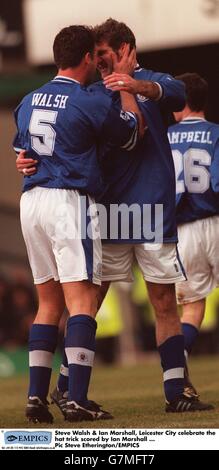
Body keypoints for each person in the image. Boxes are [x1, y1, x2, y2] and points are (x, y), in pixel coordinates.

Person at [16, 20, 212, 414]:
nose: (101, 60)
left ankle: (176, 391)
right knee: (89, 298)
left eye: (106, 53)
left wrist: (131, 84)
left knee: (163, 301)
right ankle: (68, 387)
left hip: (152, 210)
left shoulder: (153, 82)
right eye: (97, 54)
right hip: (104, 211)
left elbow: (172, 93)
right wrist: (27, 159)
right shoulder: (88, 91)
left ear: (126, 49)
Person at [13, 24, 142, 424]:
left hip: (31, 200)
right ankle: (77, 399)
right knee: (82, 301)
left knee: (47, 304)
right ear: (88, 58)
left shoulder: (28, 99)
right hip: (69, 201)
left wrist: (23, 160)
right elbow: (131, 134)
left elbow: (24, 152)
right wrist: (125, 85)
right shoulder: (87, 100)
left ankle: (36, 399)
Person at [168, 72, 219, 402]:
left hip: (182, 230)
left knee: (192, 307)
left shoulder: (163, 137)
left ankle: (180, 365)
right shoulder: (215, 134)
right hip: (215, 219)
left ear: (181, 101)